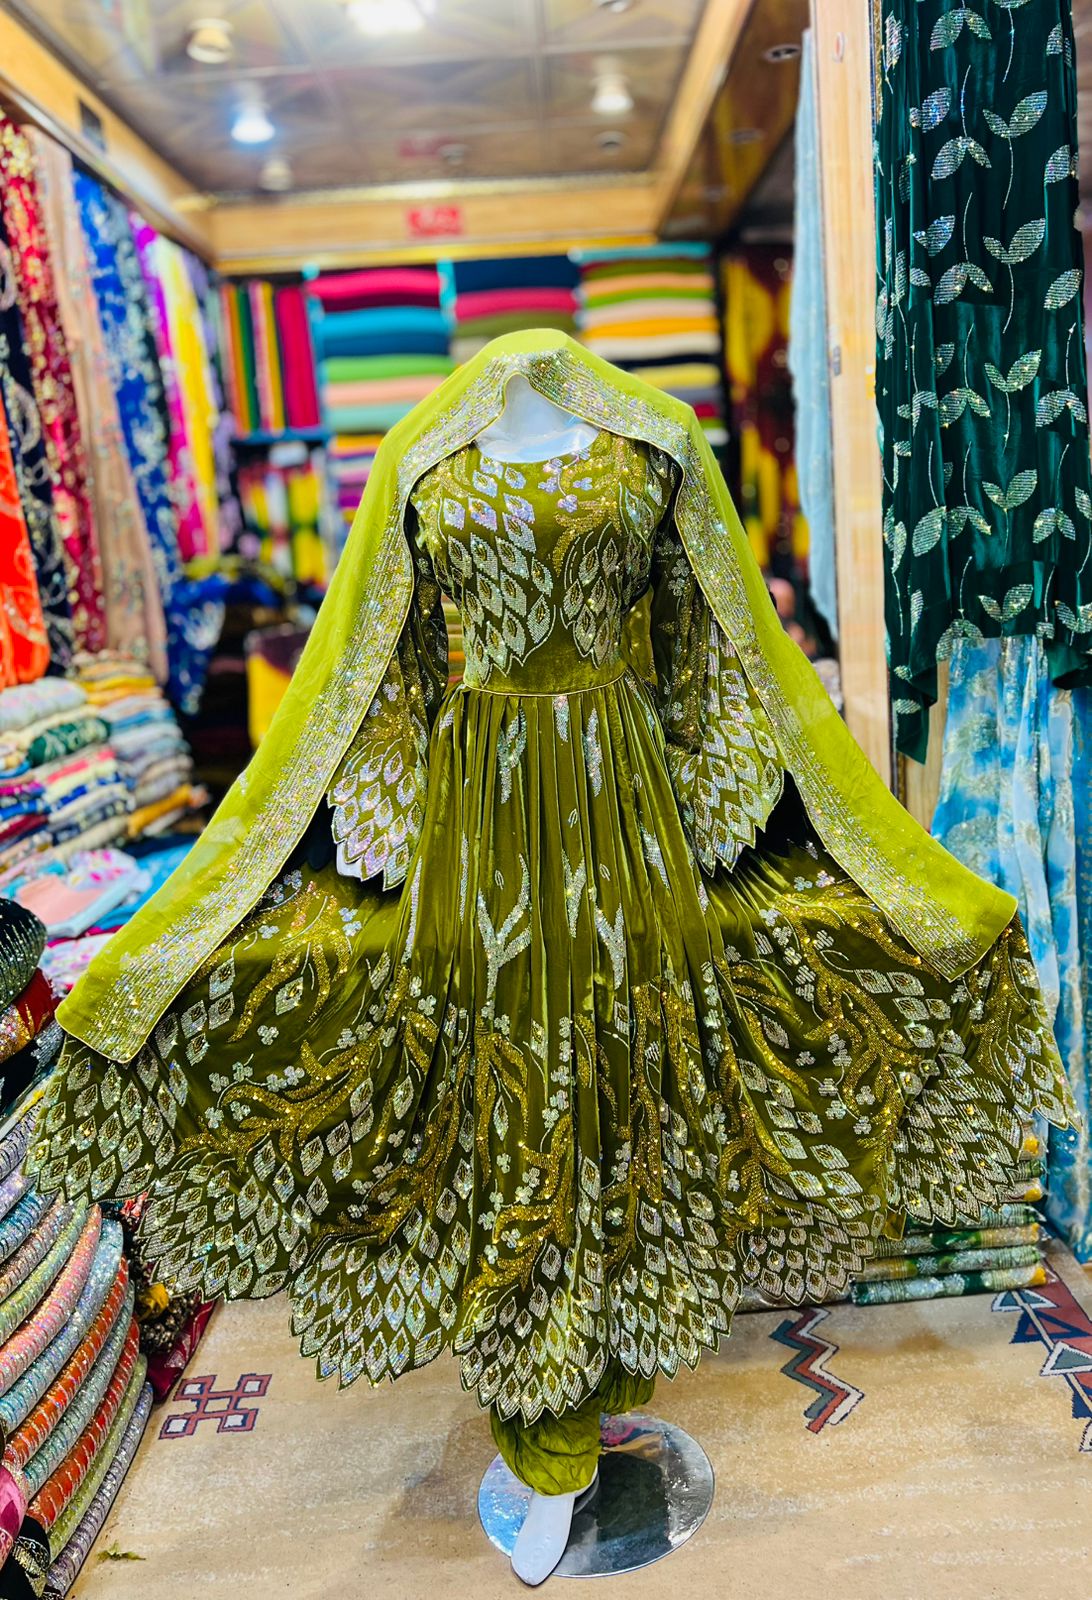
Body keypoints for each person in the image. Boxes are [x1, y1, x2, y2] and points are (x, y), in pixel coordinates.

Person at [30, 330, 1074, 1583]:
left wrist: (728, 804)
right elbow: (373, 664)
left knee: (627, 1089)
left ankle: (605, 1372)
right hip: (477, 808)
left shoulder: (657, 442)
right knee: (505, 1107)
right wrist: (380, 821)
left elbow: (716, 644)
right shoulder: (423, 453)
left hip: (629, 801)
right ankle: (542, 1432)